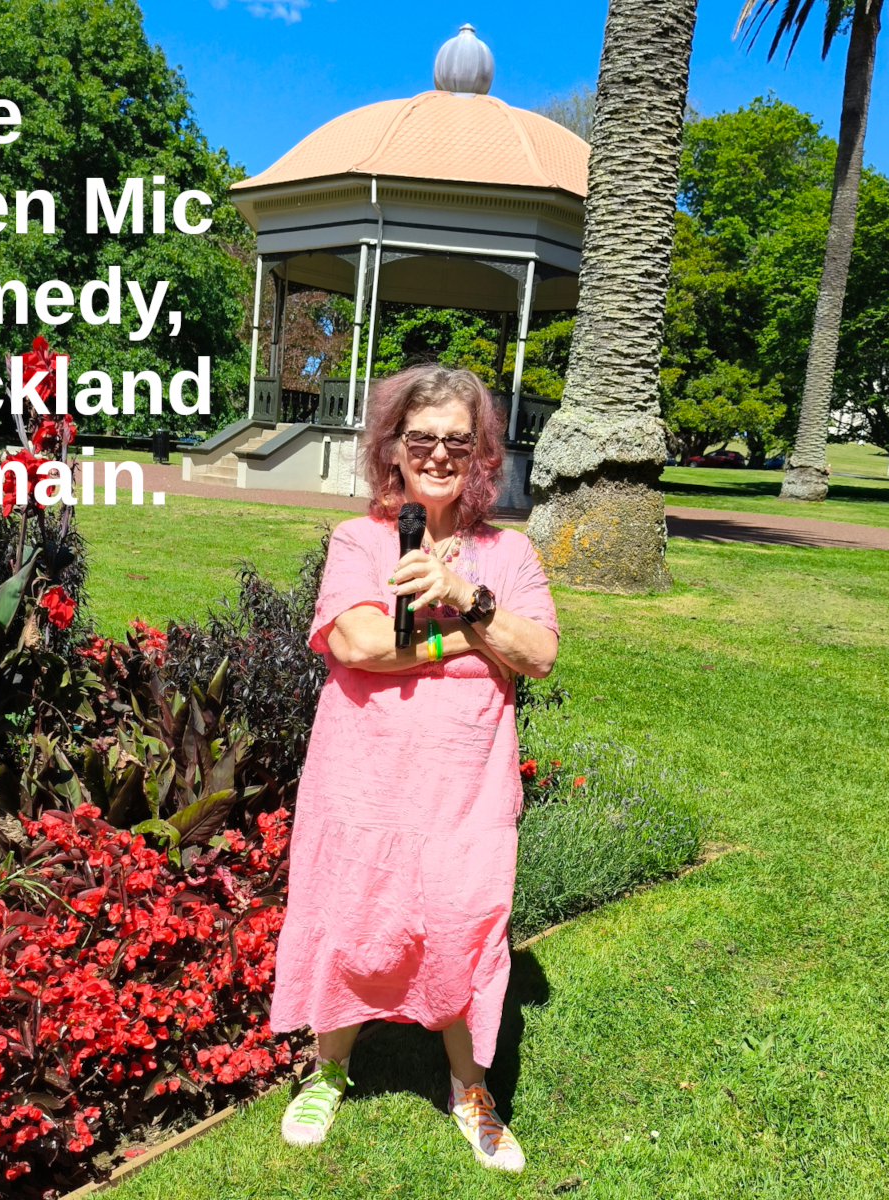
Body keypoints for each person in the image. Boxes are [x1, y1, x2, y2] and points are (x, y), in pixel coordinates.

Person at [270, 365, 558, 1172]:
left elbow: (539, 653)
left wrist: (467, 593)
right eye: (421, 438)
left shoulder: (509, 553)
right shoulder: (360, 540)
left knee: (464, 922)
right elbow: (358, 643)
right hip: (361, 778)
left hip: (466, 787)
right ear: (392, 448)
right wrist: (472, 636)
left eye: (456, 442)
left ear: (482, 453)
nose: (437, 455)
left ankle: (470, 1089)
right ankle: (329, 1072)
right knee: (351, 915)